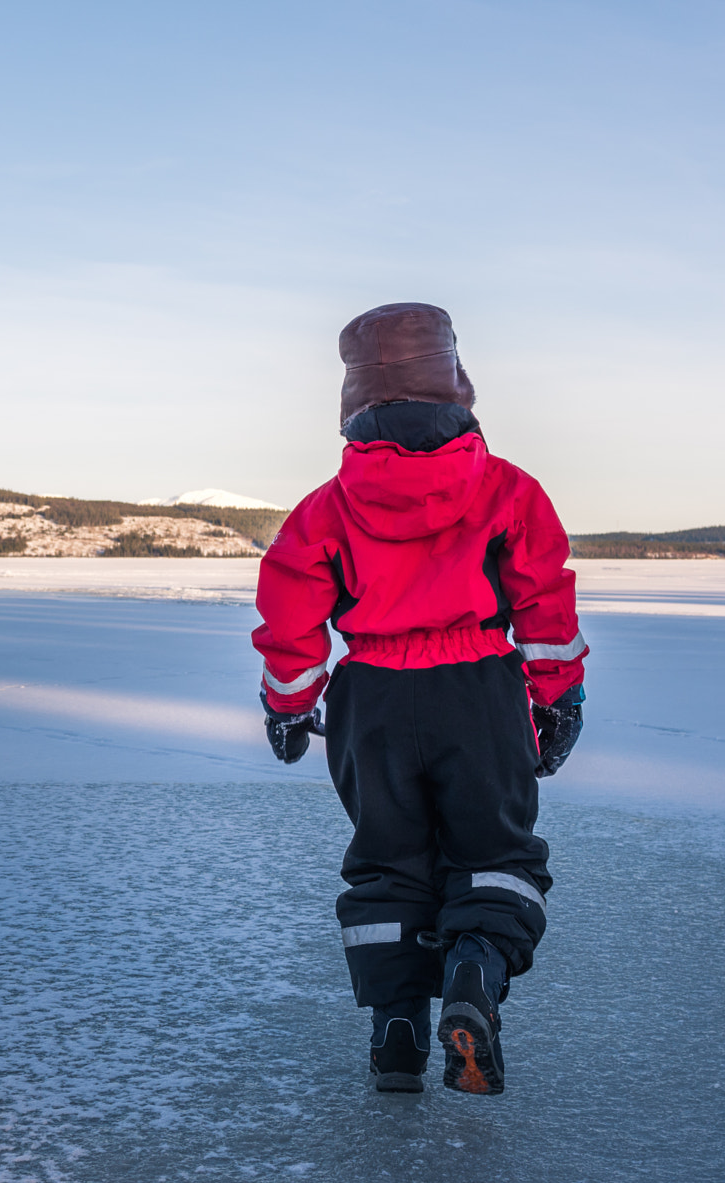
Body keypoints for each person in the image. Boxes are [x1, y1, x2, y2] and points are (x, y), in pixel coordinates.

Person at [252, 302, 586, 1096]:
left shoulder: (327, 507)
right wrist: (559, 696)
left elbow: (292, 608)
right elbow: (544, 599)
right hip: (477, 690)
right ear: (455, 379)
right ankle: (473, 973)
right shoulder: (509, 490)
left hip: (370, 700)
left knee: (390, 865)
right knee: (493, 857)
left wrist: (290, 702)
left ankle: (395, 1031)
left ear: (355, 399)